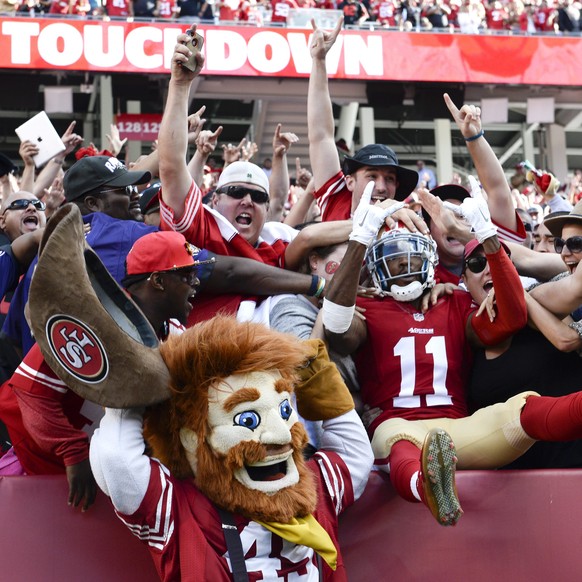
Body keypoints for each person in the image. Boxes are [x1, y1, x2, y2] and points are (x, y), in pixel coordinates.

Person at [27, 209, 374, 579]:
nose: (278, 436)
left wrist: (323, 386)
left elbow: (355, 455)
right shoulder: (184, 509)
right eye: (187, 274)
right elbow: (119, 465)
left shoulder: (310, 488)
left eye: (284, 413)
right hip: (45, 458)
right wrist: (127, 396)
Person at [322, 183, 533, 526]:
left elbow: (512, 318)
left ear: (430, 259)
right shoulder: (367, 306)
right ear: (376, 265)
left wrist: (488, 237)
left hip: (457, 428)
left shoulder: (453, 301)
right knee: (395, 440)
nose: (404, 265)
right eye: (394, 258)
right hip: (395, 426)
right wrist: (360, 238)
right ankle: (429, 488)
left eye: (412, 255)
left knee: (526, 406)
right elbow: (335, 328)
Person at [0, 220, 210, 511]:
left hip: (99, 475)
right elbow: (30, 391)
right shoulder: (93, 320)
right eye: (188, 274)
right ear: (158, 281)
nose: (196, 282)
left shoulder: (174, 333)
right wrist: (73, 452)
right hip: (38, 467)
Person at [307, 18, 421, 225]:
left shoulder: (405, 226)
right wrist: (319, 61)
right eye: (371, 176)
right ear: (349, 182)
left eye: (389, 179)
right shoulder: (335, 199)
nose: (381, 187)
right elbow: (321, 135)